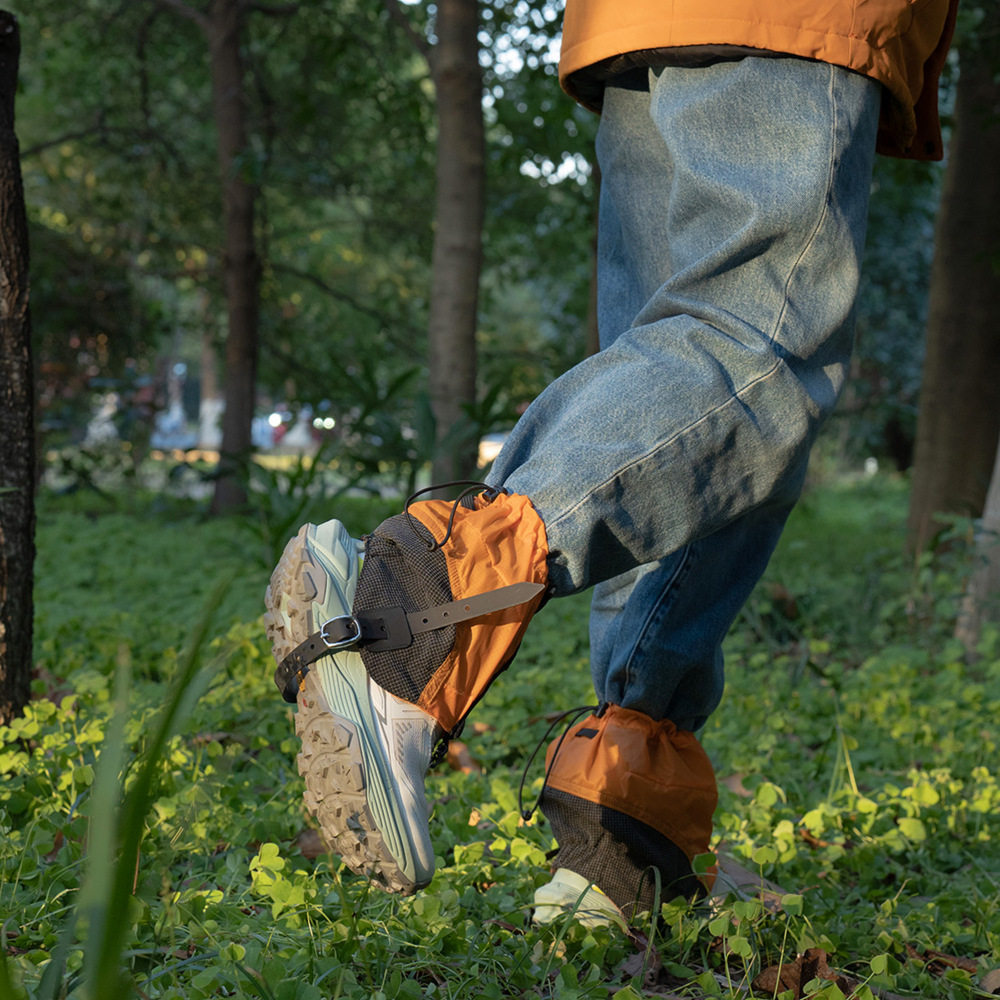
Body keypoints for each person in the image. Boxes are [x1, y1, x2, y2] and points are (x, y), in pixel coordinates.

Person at [264, 0, 958, 926]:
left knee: (688, 407)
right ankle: (410, 617)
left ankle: (623, 837)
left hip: (635, 25)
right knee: (759, 353)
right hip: (789, 19)